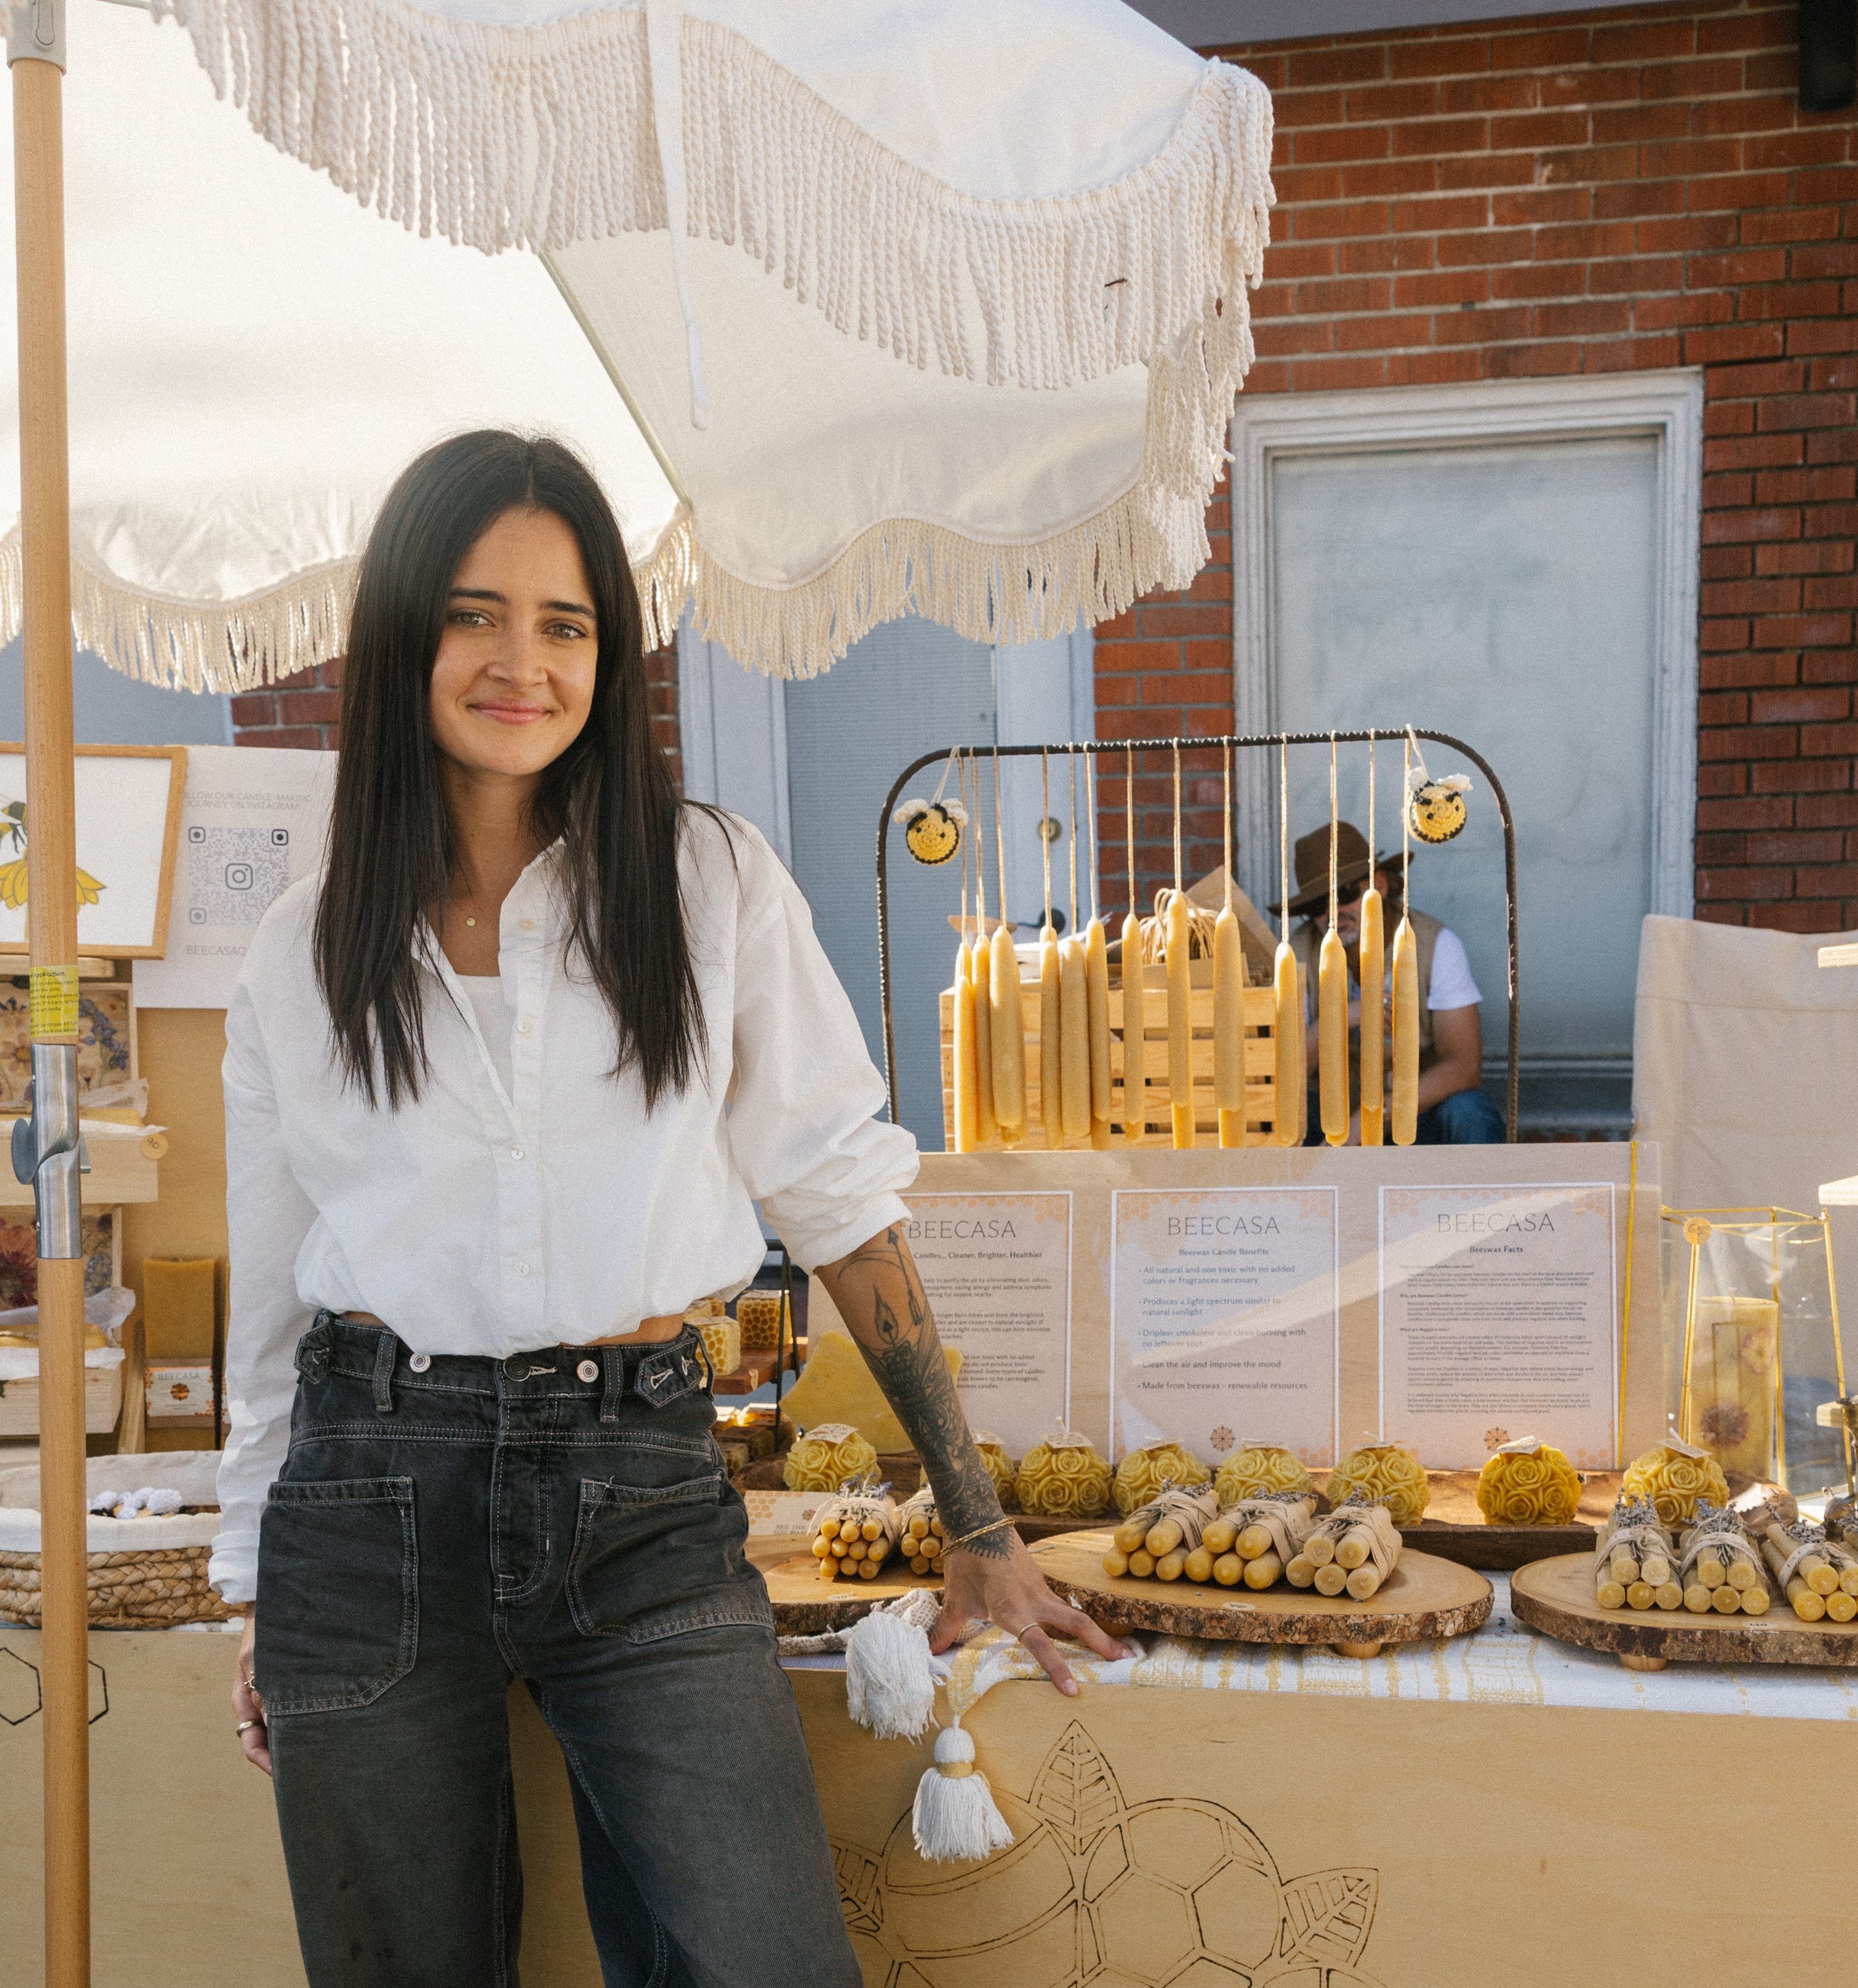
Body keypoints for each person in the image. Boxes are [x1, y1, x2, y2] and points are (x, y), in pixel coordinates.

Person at [216, 431, 1127, 1988]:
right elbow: (272, 1301)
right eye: (472, 613)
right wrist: (254, 1578)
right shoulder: (306, 947)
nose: (523, 660)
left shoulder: (708, 884)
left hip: (638, 1481)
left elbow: (838, 1195)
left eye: (565, 623)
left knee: (761, 1956)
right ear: (398, 640)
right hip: (365, 1500)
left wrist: (978, 1523)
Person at [1277, 821, 1505, 1145]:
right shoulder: (1296, 952)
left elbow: (1464, 1066)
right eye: (1317, 905)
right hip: (1329, 1112)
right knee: (1273, 1114)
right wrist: (1340, 1018)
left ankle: (1485, 1198)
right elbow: (1286, 1075)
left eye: (1344, 894)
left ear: (1380, 886)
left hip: (1411, 1110)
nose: (1333, 913)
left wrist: (1372, 1117)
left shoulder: (1434, 944)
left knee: (1470, 1112)